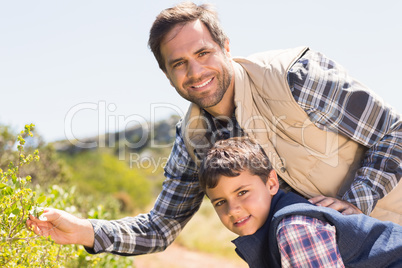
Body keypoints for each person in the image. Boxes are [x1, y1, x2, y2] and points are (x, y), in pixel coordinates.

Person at [27, 1, 401, 256]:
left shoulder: (294, 76)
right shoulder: (194, 141)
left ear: (225, 46)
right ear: (167, 74)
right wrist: (87, 232)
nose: (196, 72)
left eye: (203, 53)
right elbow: (161, 226)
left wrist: (354, 203)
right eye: (179, 63)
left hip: (391, 238)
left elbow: (393, 133)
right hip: (319, 255)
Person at [198, 136, 402, 267]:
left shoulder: (295, 228)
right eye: (220, 202)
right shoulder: (273, 230)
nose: (233, 210)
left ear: (271, 184)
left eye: (242, 192)